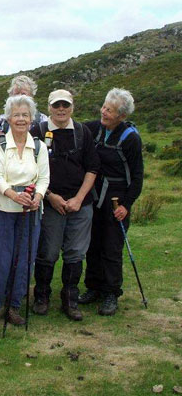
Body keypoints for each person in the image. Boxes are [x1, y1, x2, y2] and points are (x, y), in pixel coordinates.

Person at [30, 90, 100, 321]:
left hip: (81, 204)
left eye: (65, 105)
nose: (61, 109)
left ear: (72, 107)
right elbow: (30, 171)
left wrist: (79, 199)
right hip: (51, 203)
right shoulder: (37, 132)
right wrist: (50, 196)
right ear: (49, 107)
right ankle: (41, 296)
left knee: (75, 253)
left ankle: (70, 300)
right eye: (56, 105)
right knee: (47, 252)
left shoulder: (83, 132)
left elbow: (92, 168)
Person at [0, 95, 49, 330]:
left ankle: (14, 307)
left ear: (32, 119)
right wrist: (14, 195)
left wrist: (37, 197)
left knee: (25, 260)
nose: (21, 119)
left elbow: (43, 178)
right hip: (3, 209)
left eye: (25, 115)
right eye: (16, 114)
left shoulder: (39, 146)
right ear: (8, 118)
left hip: (31, 211)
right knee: (1, 260)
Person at [79, 88, 143, 316]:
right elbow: (72, 129)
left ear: (121, 116)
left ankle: (111, 292)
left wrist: (126, 205)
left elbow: (137, 176)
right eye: (104, 107)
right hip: (94, 194)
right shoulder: (93, 128)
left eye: (110, 110)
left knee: (112, 246)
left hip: (117, 198)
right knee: (93, 243)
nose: (103, 112)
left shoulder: (130, 138)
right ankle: (93, 287)